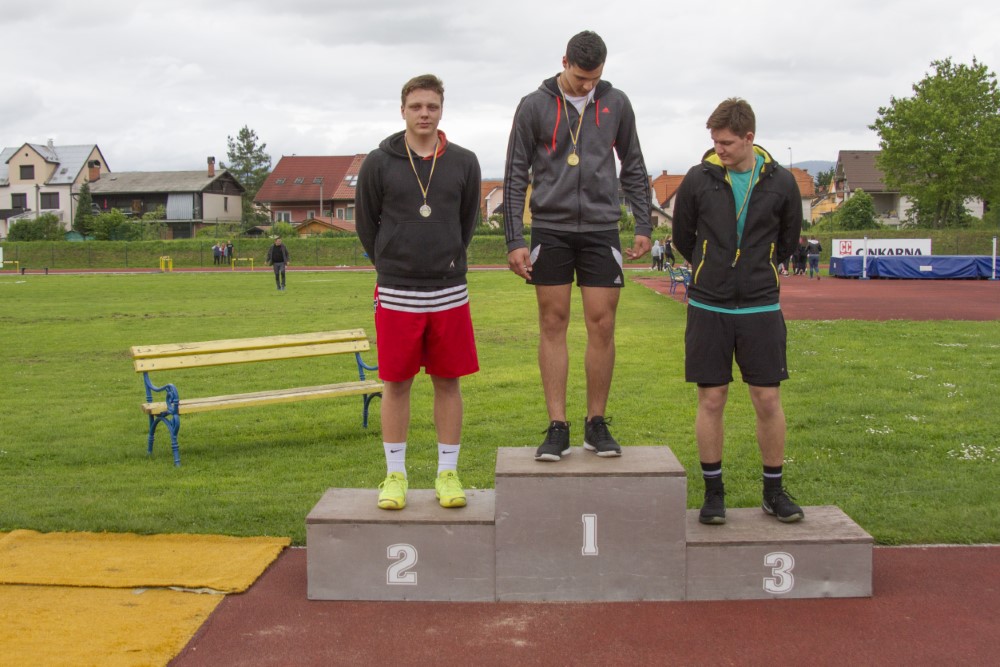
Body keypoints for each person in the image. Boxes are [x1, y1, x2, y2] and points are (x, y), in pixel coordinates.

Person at [503, 30, 652, 462]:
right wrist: (515, 238)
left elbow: (635, 164)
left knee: (602, 324)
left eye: (595, 78)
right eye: (580, 76)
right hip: (550, 227)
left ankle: (596, 423)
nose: (587, 85)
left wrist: (643, 222)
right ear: (564, 60)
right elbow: (514, 175)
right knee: (553, 321)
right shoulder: (533, 105)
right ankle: (557, 426)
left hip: (603, 227)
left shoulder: (617, 102)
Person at [672, 98, 804, 525]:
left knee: (767, 398)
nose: (719, 149)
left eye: (727, 142)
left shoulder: (782, 183)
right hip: (708, 302)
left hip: (761, 303)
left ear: (749, 138)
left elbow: (788, 240)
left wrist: (755, 269)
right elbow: (682, 236)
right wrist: (712, 264)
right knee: (712, 398)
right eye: (714, 141)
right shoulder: (699, 178)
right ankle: (714, 493)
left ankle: (773, 491)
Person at [356, 73, 482, 511]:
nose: (424, 114)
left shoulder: (465, 162)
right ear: (403, 110)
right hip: (397, 293)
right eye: (416, 107)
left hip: (448, 292)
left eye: (432, 106)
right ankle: (395, 475)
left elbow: (466, 224)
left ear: (441, 109)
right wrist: (392, 262)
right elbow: (365, 225)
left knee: (449, 383)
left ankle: (448, 472)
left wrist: (445, 258)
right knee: (396, 384)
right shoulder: (378, 162)